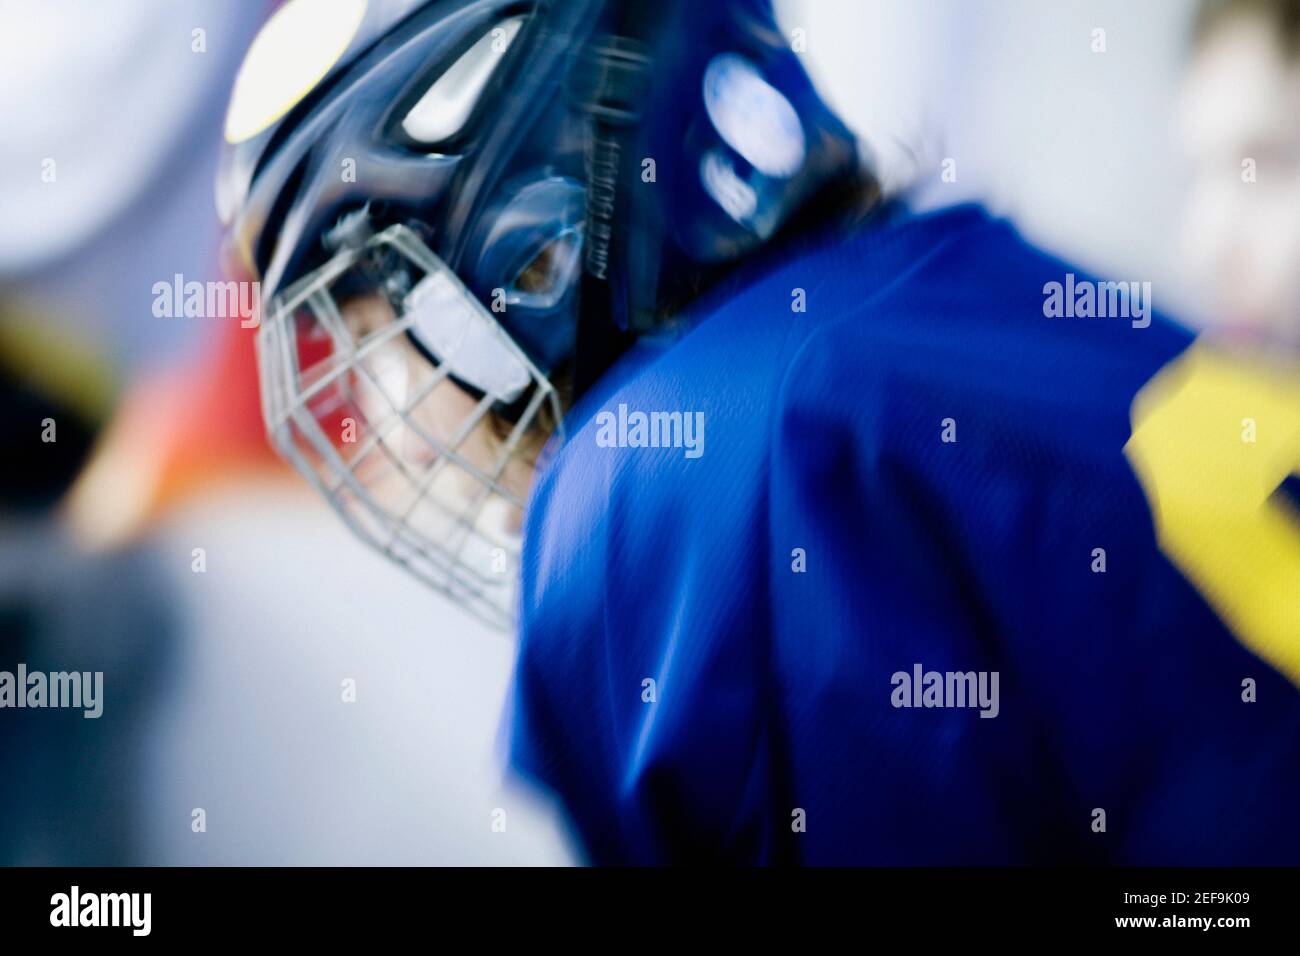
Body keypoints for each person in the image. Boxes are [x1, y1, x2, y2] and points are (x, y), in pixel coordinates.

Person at [223, 0, 1300, 864]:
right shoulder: (968, 288)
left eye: (387, 323)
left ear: (535, 249)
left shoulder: (682, 482)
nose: (395, 430)